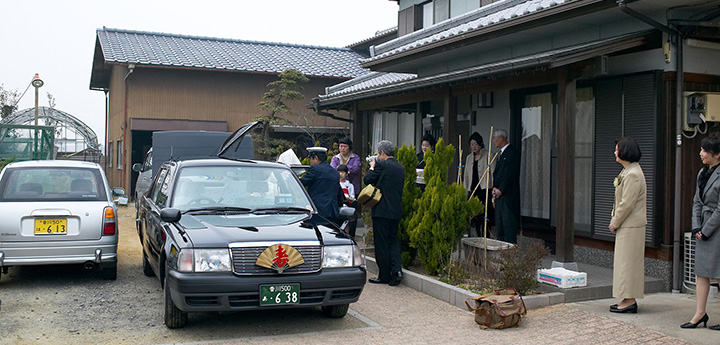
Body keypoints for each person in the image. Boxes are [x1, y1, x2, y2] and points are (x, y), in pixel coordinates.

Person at [682, 132, 720, 328]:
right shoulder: (702, 173)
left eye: (705, 150)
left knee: (719, 272)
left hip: (717, 229)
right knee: (701, 272)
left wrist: (706, 229)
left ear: (717, 154)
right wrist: (696, 226)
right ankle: (699, 313)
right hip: (703, 227)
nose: (701, 153)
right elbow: (697, 201)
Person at [608, 137, 646, 314]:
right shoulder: (628, 171)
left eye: (617, 149)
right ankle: (626, 297)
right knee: (624, 263)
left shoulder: (633, 175)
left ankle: (630, 300)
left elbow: (627, 203)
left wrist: (615, 222)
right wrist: (613, 218)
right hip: (627, 225)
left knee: (629, 263)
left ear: (625, 152)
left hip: (631, 226)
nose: (615, 152)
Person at [364, 140, 405, 286]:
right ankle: (397, 271)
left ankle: (384, 275)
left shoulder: (381, 165)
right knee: (393, 241)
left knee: (381, 244)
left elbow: (367, 180)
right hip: (396, 209)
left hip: (381, 210)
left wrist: (372, 167)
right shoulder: (400, 167)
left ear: (382, 153)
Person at [491, 129, 521, 244]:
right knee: (500, 227)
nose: (493, 141)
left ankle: (510, 255)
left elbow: (509, 174)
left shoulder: (512, 153)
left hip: (508, 197)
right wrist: (494, 188)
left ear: (501, 138)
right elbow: (497, 174)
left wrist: (501, 189)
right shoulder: (500, 154)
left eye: (494, 138)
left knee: (508, 226)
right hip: (499, 196)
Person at [300, 147, 343, 225]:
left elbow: (300, 184)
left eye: (311, 159)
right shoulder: (335, 172)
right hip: (332, 212)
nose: (310, 162)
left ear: (316, 158)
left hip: (317, 211)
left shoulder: (315, 169)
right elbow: (339, 193)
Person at [464, 132, 495, 237]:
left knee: (485, 213)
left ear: (480, 144)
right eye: (472, 144)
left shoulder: (488, 155)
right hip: (473, 189)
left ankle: (486, 234)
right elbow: (466, 176)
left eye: (475, 144)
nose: (474, 146)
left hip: (485, 189)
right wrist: (466, 190)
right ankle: (477, 234)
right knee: (475, 214)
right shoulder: (469, 158)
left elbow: (493, 173)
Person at [331, 137, 361, 237]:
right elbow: (332, 169)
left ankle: (351, 235)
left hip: (352, 189)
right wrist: (345, 170)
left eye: (345, 146)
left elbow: (356, 168)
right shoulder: (335, 158)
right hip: (338, 190)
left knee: (352, 215)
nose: (342, 148)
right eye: (341, 146)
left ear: (349, 148)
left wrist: (342, 168)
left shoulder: (355, 157)